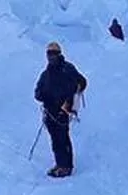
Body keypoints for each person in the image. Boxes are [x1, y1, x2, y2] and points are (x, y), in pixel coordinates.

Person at [34, 41, 87, 178]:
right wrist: (42, 95)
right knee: (56, 139)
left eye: (54, 53)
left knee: (62, 138)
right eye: (49, 53)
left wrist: (71, 100)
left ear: (59, 54)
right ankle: (60, 164)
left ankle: (66, 167)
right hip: (50, 112)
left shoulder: (67, 69)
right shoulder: (46, 74)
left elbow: (82, 82)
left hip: (63, 111)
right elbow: (37, 93)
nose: (51, 56)